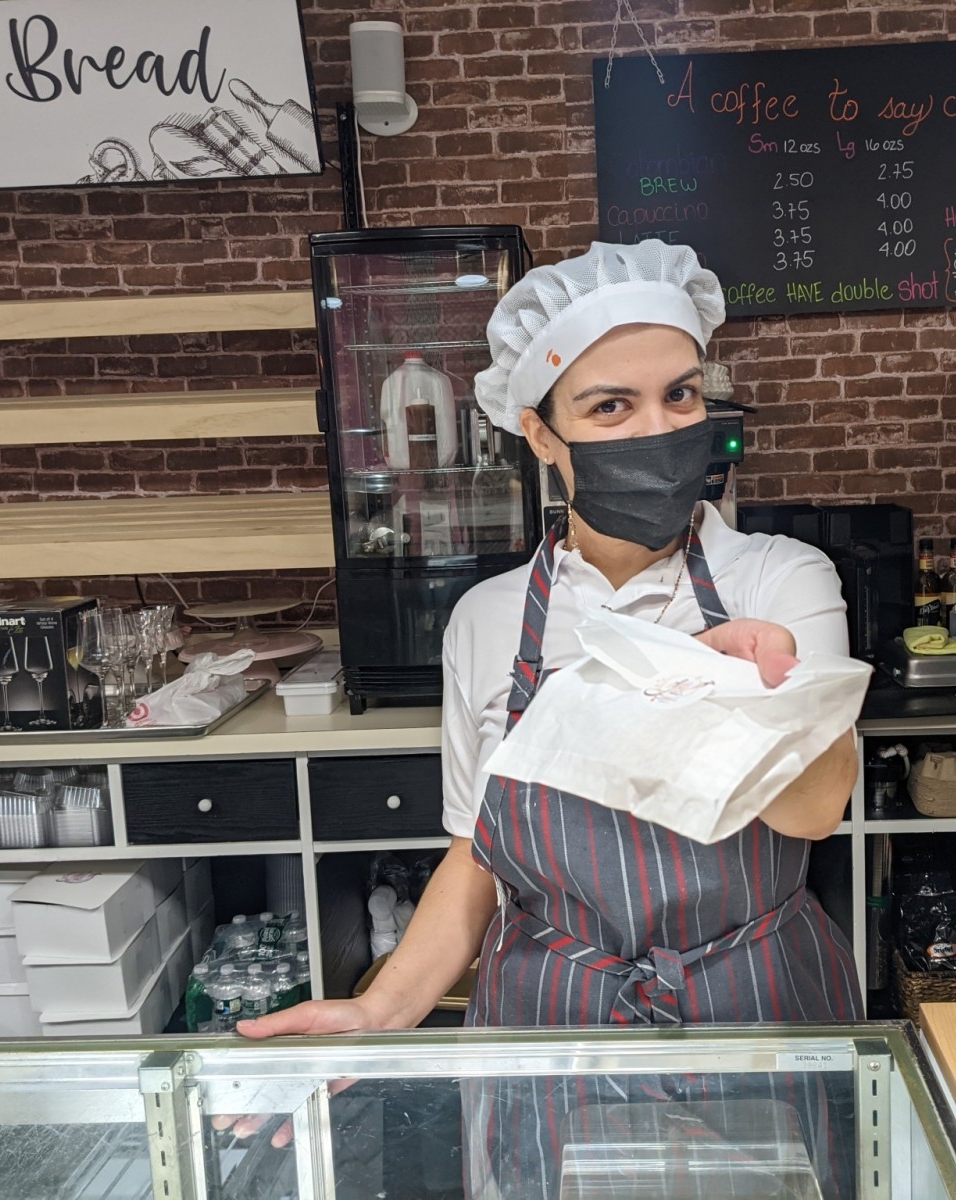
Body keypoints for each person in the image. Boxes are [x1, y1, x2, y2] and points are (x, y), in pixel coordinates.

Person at [238, 240, 864, 1195]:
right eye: (610, 405)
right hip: (552, 1006)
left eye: (681, 396)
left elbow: (813, 813)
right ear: (539, 433)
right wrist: (383, 1011)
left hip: (754, 997)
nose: (656, 427)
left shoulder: (778, 578)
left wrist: (768, 688)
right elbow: (479, 849)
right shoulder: (489, 620)